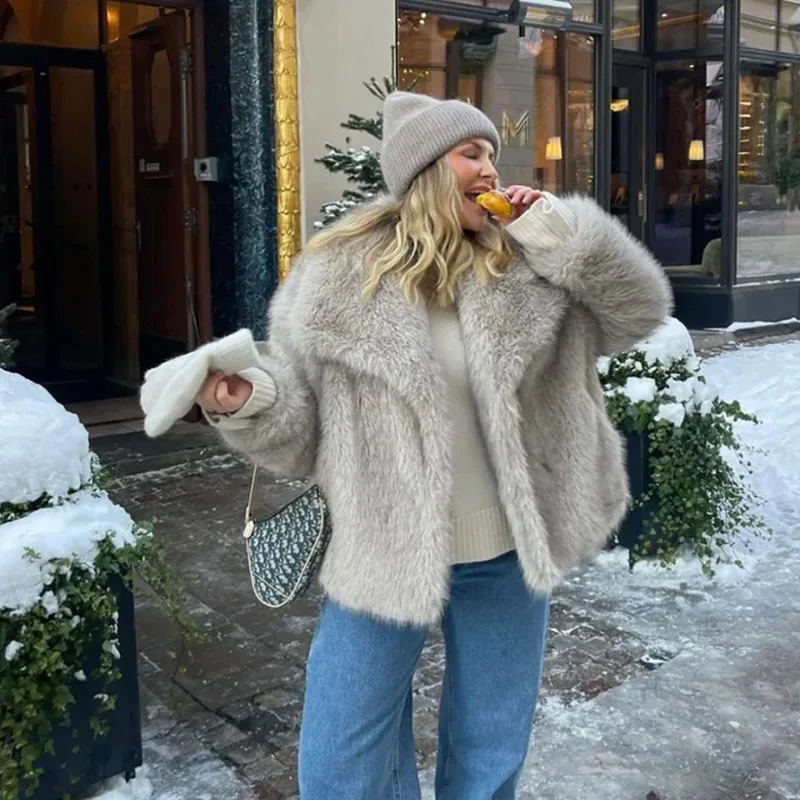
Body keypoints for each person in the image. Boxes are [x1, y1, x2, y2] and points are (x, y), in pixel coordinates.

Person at [196, 93, 672, 799]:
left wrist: (561, 234)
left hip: (509, 549)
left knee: (490, 751)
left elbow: (641, 309)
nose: (490, 168)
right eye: (471, 153)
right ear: (424, 170)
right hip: (385, 545)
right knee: (340, 760)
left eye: (492, 154)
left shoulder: (531, 262)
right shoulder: (336, 279)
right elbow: (302, 435)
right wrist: (250, 401)